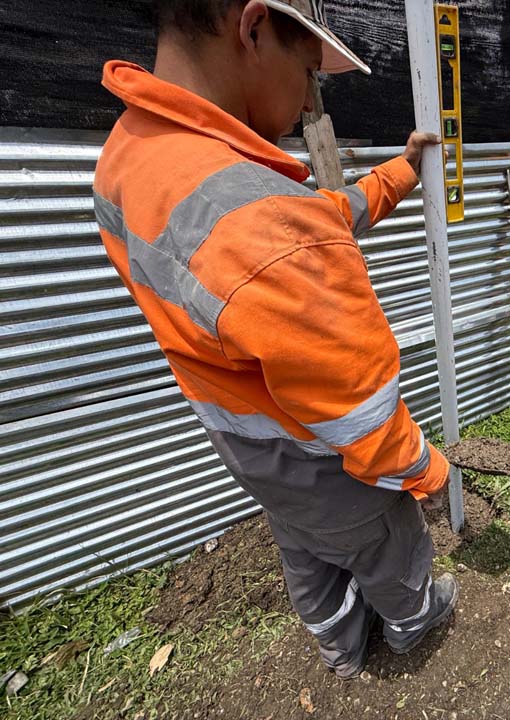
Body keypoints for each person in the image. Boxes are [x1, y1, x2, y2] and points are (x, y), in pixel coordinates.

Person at [92, 0, 458, 680]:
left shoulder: (129, 156)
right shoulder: (266, 224)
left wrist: (398, 175)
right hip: (324, 464)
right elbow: (365, 417)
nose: (303, 105)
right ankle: (413, 625)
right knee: (390, 546)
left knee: (304, 550)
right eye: (308, 73)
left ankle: (340, 650)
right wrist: (426, 474)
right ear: (253, 28)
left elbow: (307, 222)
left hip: (251, 453)